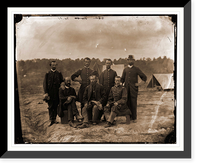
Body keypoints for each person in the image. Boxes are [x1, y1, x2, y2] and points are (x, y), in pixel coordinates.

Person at [121, 55, 147, 122]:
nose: (130, 61)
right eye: (129, 60)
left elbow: (144, 77)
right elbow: (122, 79)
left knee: (133, 103)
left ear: (134, 61)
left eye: (132, 60)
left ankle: (134, 118)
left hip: (133, 90)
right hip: (126, 89)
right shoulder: (125, 69)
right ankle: (128, 117)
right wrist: (121, 84)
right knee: (127, 103)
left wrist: (139, 84)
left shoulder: (136, 69)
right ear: (127, 61)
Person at [43, 60, 63, 126]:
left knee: (56, 105)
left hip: (57, 93)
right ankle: (51, 119)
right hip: (50, 93)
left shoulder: (59, 73)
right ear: (50, 65)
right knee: (50, 106)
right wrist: (46, 93)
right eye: (52, 65)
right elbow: (45, 84)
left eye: (55, 65)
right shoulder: (47, 74)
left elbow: (62, 82)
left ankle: (54, 119)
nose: (54, 66)